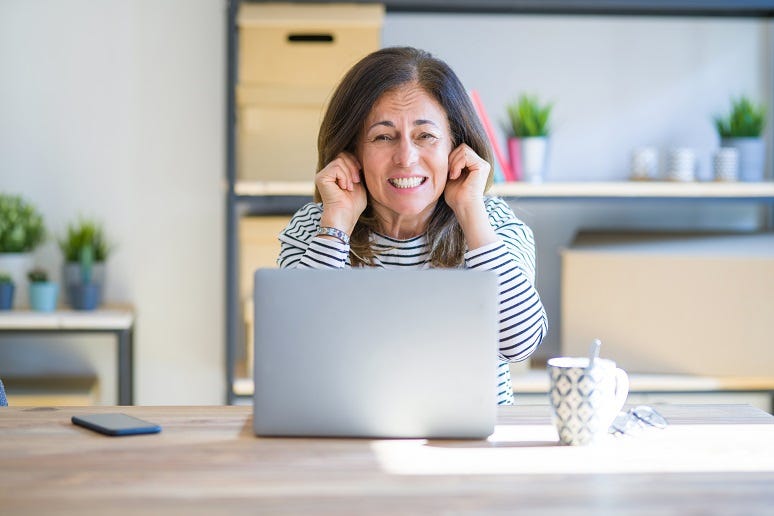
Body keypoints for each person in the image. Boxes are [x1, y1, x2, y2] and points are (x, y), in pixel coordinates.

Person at [278, 47, 547, 405]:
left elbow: (520, 344)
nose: (405, 158)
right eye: (383, 137)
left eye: (426, 136)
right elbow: (292, 349)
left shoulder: (493, 225)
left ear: (456, 146)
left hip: (471, 443)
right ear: (352, 151)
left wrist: (470, 211)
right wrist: (337, 223)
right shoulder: (316, 226)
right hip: (345, 436)